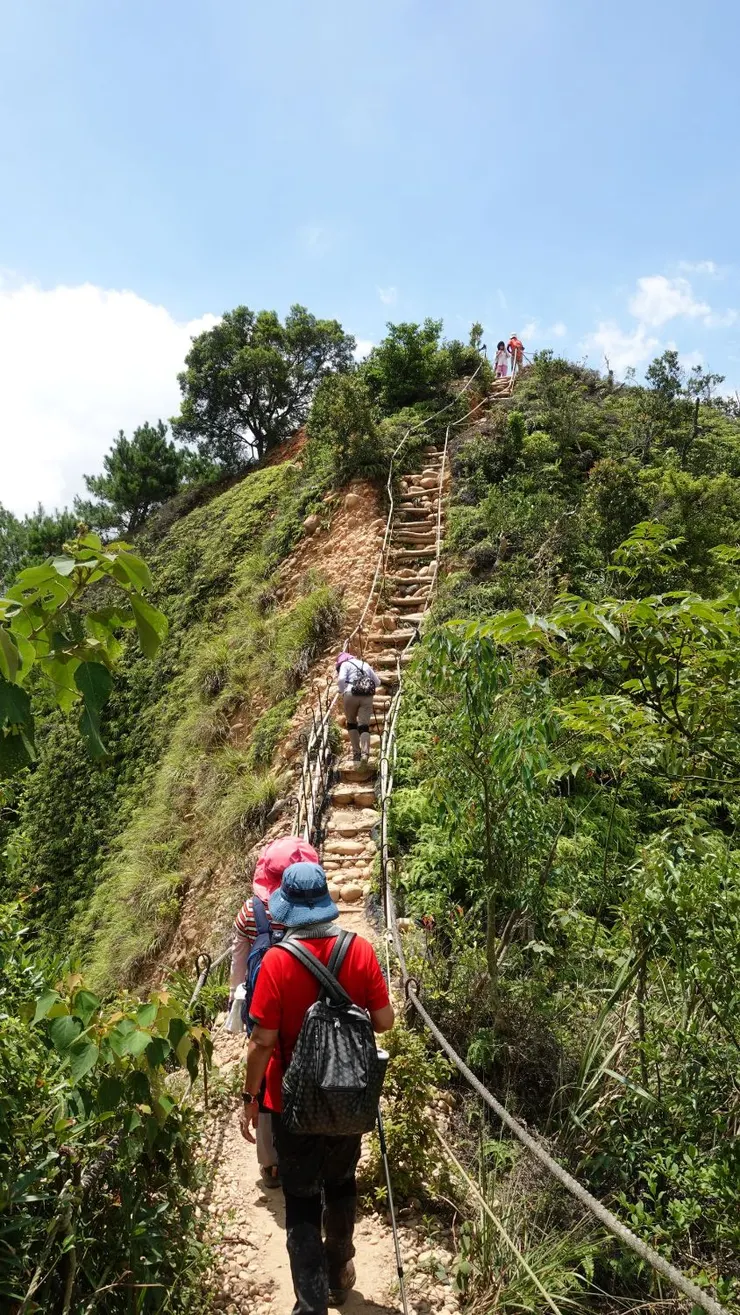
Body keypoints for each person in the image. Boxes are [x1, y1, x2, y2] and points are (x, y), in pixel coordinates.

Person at [239, 862, 394, 1313]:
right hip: (349, 1094)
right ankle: (339, 1270)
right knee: (342, 1181)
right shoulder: (360, 951)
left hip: (292, 1102)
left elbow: (262, 1041)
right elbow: (383, 1021)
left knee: (302, 1197)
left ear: (287, 907)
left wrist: (250, 1099)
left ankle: (311, 1302)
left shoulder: (276, 962)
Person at [229, 835, 320, 1187]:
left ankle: (271, 1163)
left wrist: (238, 1002)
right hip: (306, 1006)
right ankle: (309, 1149)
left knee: (265, 1072)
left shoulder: (252, 911)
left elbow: (239, 956)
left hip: (263, 1007)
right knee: (308, 1070)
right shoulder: (313, 911)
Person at [335, 650, 381, 766]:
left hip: (350, 694)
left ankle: (356, 754)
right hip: (367, 696)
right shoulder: (365, 664)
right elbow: (377, 682)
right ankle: (365, 754)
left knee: (351, 723)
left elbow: (341, 680)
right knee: (364, 726)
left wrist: (342, 690)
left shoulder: (345, 664)